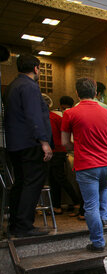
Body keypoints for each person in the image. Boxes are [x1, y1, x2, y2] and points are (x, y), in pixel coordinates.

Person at [61, 78, 107, 252]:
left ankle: (98, 242)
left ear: (77, 93)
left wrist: (78, 147)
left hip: (86, 164)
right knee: (105, 190)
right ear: (95, 92)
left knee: (90, 204)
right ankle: (103, 218)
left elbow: (65, 142)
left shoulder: (70, 113)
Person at [4, 54, 53, 237]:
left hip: (15, 144)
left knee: (21, 183)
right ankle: (25, 225)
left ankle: (15, 225)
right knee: (33, 183)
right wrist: (44, 142)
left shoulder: (12, 86)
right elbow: (34, 116)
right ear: (35, 69)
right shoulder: (30, 87)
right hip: (30, 143)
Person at [46, 95, 81, 216]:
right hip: (58, 151)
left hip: (56, 151)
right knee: (54, 179)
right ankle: (56, 206)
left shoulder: (51, 117)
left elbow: (52, 137)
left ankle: (77, 202)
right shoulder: (56, 116)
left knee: (60, 178)